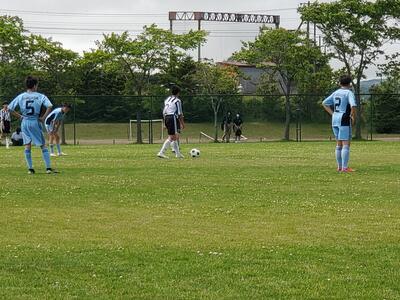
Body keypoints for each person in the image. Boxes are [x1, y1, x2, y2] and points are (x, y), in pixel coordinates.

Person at [8, 76, 56, 174]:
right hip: (35, 121)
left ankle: (30, 169)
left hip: (25, 122)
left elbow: (9, 108)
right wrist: (43, 118)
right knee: (43, 145)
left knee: (27, 145)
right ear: (34, 85)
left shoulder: (21, 96)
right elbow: (50, 106)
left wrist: (20, 116)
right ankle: (48, 168)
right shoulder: (40, 96)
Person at [322, 74, 357, 172]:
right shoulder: (348, 93)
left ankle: (339, 167)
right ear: (350, 84)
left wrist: (332, 114)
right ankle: (345, 168)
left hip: (335, 119)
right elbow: (353, 105)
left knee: (338, 144)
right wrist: (352, 115)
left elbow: (324, 103)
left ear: (339, 83)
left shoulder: (336, 92)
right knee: (346, 144)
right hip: (344, 119)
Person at [157, 85, 185, 159]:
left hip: (166, 117)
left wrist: (164, 122)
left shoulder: (167, 99)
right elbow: (180, 114)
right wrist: (182, 124)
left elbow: (164, 112)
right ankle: (161, 152)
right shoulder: (178, 101)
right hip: (172, 117)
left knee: (175, 136)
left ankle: (178, 154)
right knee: (172, 137)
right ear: (178, 93)